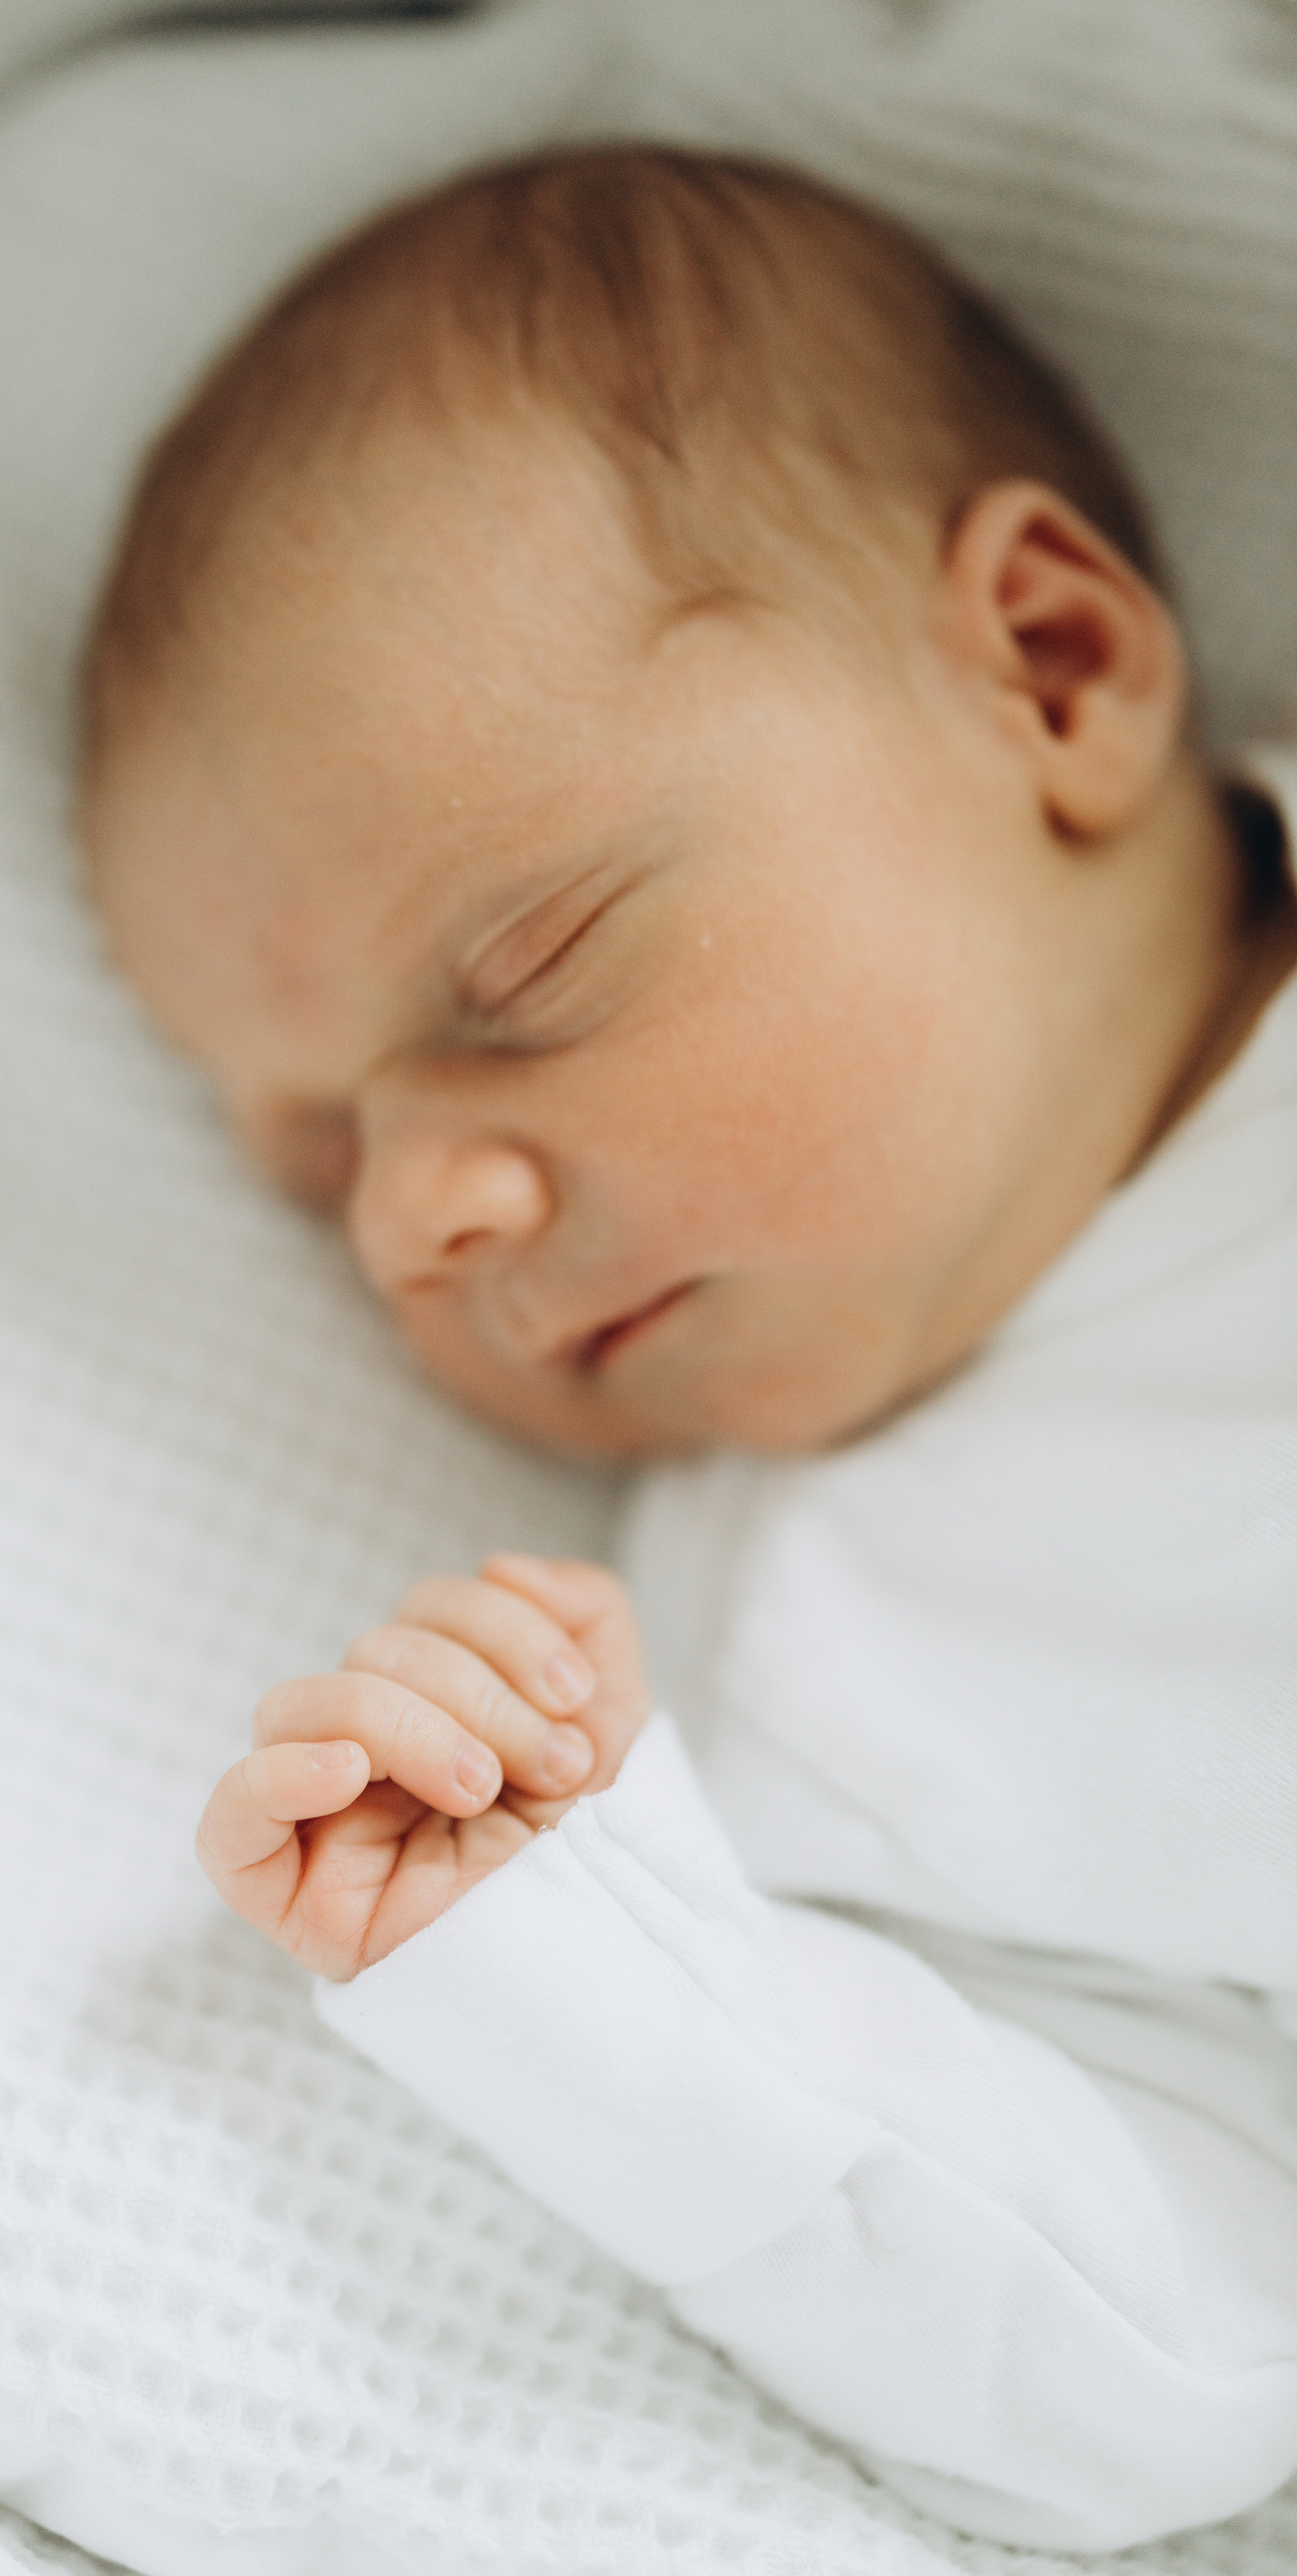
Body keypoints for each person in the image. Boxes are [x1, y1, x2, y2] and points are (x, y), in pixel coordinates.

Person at [79, 150, 1297, 2551]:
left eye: (519, 973)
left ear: (1050, 671)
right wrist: (596, 1976)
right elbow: (1188, 2341)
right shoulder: (810, 1684)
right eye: (327, 1170)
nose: (419, 1215)